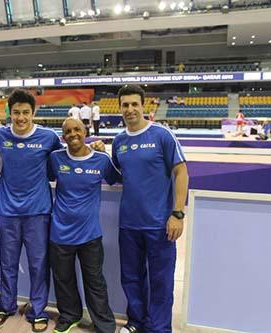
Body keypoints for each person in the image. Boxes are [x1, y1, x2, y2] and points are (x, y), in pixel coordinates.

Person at [0, 90, 107, 332]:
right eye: (17, 113)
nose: (21, 118)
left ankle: (38, 310)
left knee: (38, 265)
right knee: (8, 263)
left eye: (26, 112)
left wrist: (97, 148)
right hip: (8, 212)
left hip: (39, 212)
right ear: (10, 113)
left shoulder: (48, 137)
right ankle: (6, 304)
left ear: (34, 113)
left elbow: (68, 157)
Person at [111, 85, 189, 333]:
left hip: (159, 224)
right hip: (129, 224)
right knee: (132, 279)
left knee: (161, 281)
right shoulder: (119, 141)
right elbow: (119, 175)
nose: (130, 109)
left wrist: (177, 213)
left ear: (144, 106)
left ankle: (159, 328)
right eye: (125, 105)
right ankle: (136, 322)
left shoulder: (162, 135)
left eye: (135, 104)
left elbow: (181, 172)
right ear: (120, 108)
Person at [49, 118, 119, 333]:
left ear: (86, 131)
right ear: (63, 137)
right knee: (63, 280)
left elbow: (119, 178)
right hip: (60, 233)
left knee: (95, 282)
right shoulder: (55, 158)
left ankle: (104, 325)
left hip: (90, 235)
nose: (73, 134)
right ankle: (70, 316)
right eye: (68, 131)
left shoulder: (101, 159)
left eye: (77, 129)